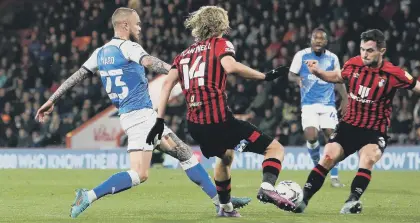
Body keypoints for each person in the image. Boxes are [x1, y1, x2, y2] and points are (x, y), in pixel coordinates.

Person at [35, 7, 250, 218]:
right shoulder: (128, 47)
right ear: (125, 25)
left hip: (136, 116)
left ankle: (222, 202)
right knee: (140, 174)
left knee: (184, 153)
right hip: (140, 118)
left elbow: (75, 77)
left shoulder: (99, 53)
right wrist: (182, 71)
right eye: (137, 23)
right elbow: (149, 62)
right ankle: (88, 195)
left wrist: (52, 99)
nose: (139, 27)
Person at [299, 29, 420, 214]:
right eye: (362, 49)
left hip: (374, 130)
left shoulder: (394, 73)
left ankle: (351, 201)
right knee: (328, 157)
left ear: (381, 51)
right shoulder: (353, 64)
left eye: (370, 50)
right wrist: (317, 71)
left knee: (367, 158)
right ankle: (302, 201)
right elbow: (336, 76)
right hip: (349, 125)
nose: (364, 54)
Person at [146, 6, 294, 217]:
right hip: (219, 121)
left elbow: (167, 86)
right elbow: (231, 66)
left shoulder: (183, 55)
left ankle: (225, 208)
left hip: (195, 126)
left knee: (225, 157)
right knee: (275, 149)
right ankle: (268, 188)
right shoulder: (220, 44)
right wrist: (264, 76)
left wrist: (159, 120)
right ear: (221, 24)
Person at [289, 28, 347, 188]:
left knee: (332, 138)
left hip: (328, 104)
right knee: (311, 135)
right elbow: (290, 74)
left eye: (322, 39)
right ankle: (318, 168)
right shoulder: (301, 55)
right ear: (311, 40)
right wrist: (298, 79)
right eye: (316, 38)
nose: (318, 41)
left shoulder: (332, 58)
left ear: (326, 42)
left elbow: (338, 79)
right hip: (308, 103)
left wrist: (345, 98)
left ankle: (334, 177)